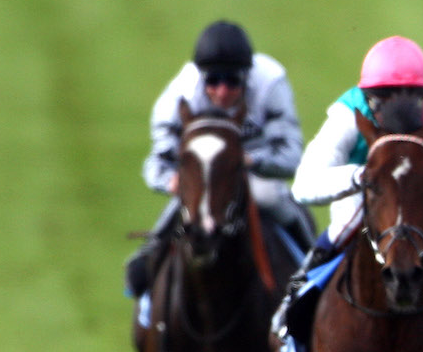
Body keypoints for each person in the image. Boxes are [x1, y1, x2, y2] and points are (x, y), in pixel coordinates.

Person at [283, 36, 423, 352]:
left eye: (408, 96)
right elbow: (304, 185)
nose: (394, 104)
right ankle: (294, 307)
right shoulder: (348, 112)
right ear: (368, 97)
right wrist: (359, 179)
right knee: (343, 225)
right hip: (366, 199)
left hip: (421, 201)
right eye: (382, 96)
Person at [127, 20, 314, 298]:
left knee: (270, 198)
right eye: (213, 81)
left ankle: (311, 264)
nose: (222, 91)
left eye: (232, 81)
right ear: (201, 77)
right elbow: (156, 164)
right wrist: (171, 181)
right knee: (187, 205)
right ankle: (148, 272)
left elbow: (290, 156)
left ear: (247, 77)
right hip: (202, 174)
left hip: (253, 168)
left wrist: (249, 160)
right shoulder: (180, 96)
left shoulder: (271, 83)